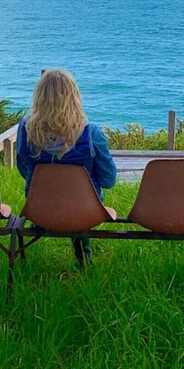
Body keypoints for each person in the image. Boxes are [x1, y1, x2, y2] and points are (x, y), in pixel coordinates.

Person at [16, 69, 117, 266]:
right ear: (74, 96)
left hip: (39, 208)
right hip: (85, 211)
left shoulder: (26, 131)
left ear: (39, 97)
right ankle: (83, 257)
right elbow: (109, 180)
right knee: (78, 199)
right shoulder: (91, 134)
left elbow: (23, 170)